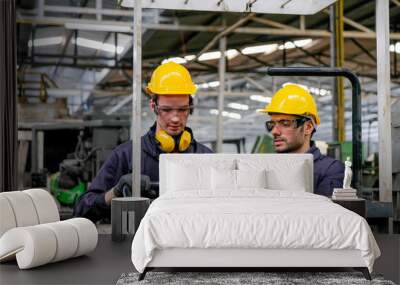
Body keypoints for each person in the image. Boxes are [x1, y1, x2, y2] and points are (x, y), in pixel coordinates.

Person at [74, 62, 213, 222]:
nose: (175, 118)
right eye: (166, 110)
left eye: (182, 110)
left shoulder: (205, 158)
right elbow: (81, 209)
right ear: (153, 106)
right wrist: (116, 192)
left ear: (190, 109)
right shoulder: (127, 155)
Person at [258, 83, 344, 197]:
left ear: (308, 128)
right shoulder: (266, 167)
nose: (274, 131)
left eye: (285, 123)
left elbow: (323, 212)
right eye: (272, 124)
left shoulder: (330, 170)